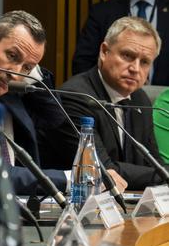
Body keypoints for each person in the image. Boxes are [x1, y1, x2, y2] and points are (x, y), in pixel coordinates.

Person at [0, 10, 127, 195]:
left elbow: (56, 120)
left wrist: (29, 66)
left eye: (27, 67)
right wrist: (73, 179)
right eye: (12, 55)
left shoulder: (5, 86)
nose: (16, 75)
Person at [49, 16, 165, 190]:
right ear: (104, 52)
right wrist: (159, 175)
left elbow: (156, 165)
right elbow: (102, 171)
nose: (135, 68)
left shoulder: (140, 99)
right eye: (127, 55)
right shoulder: (75, 96)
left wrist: (159, 174)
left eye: (145, 62)